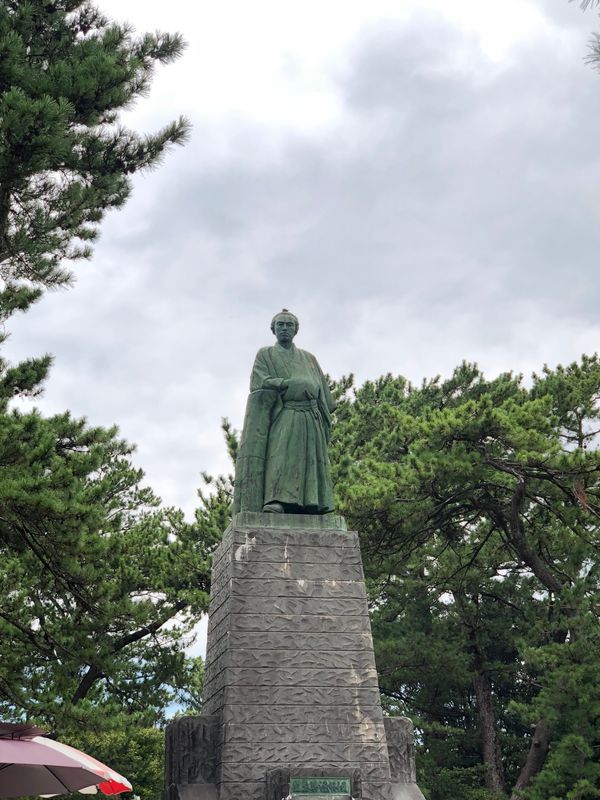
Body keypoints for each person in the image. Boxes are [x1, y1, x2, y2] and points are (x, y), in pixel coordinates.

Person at [233, 309, 335, 515]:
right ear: (273, 329)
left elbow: (324, 392)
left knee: (310, 460)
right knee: (280, 456)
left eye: (289, 325)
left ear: (296, 330)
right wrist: (286, 384)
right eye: (281, 325)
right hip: (285, 412)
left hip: (311, 416)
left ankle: (312, 503)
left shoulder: (309, 358)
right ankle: (277, 499)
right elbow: (259, 381)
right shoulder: (266, 354)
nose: (285, 329)